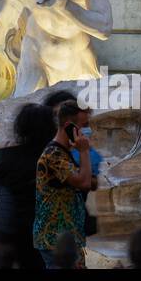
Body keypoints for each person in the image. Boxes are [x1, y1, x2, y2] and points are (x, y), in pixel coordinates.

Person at [0, 103, 56, 269]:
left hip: (7, 226)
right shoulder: (53, 159)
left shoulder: (6, 155)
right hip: (41, 228)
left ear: (21, 127)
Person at [34, 100, 94, 268]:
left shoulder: (64, 153)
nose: (87, 130)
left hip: (68, 238)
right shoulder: (53, 155)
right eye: (84, 125)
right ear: (69, 126)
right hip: (55, 242)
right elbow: (84, 182)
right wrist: (84, 151)